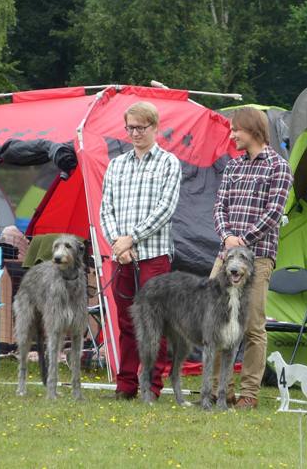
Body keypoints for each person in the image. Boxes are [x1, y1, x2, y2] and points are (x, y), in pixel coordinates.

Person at [211, 107, 293, 409]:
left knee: (253, 326)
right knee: (217, 322)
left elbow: (273, 213)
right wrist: (226, 237)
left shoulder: (278, 167)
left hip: (258, 258)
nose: (232, 135)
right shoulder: (233, 166)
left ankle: (249, 394)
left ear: (253, 131)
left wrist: (242, 241)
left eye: (236, 130)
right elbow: (219, 205)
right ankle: (221, 390)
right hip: (225, 255)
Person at [100, 101, 181, 400]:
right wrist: (118, 244)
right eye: (130, 128)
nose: (134, 133)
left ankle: (152, 385)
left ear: (155, 128)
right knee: (126, 322)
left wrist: (131, 238)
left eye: (140, 128)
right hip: (121, 256)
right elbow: (105, 208)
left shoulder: (169, 163)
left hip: (154, 256)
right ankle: (125, 385)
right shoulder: (116, 165)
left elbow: (165, 209)